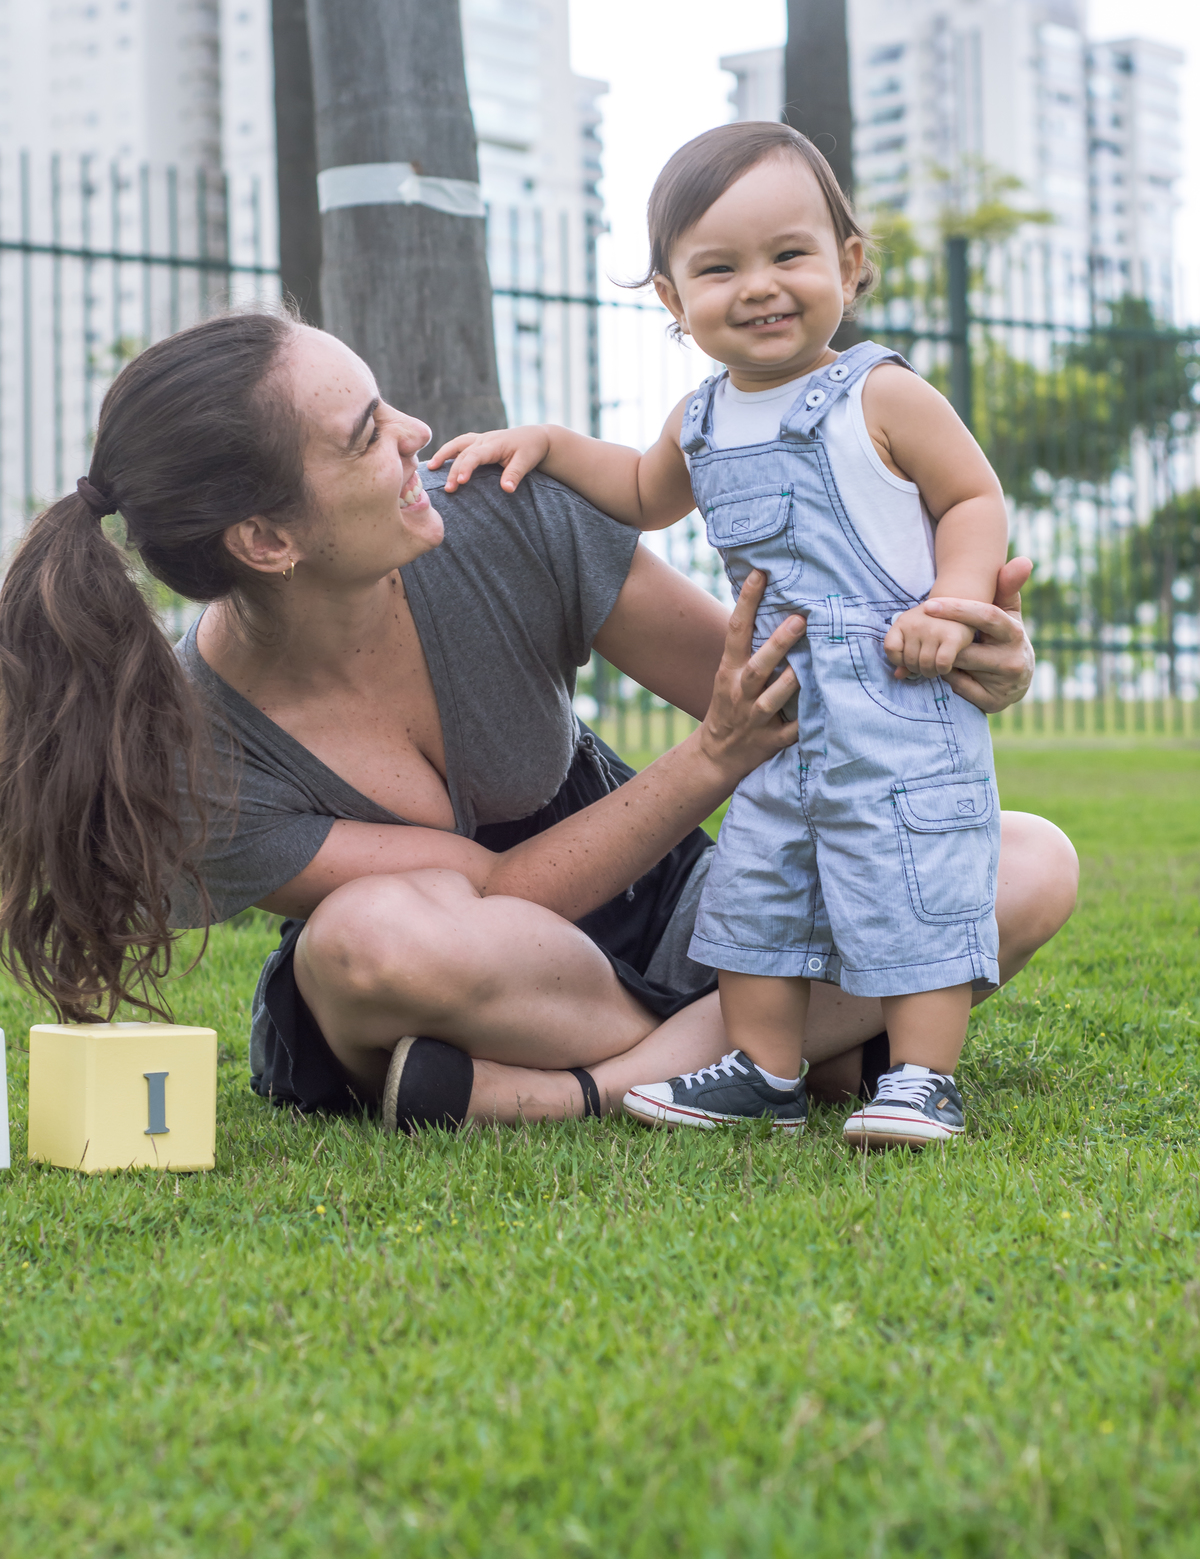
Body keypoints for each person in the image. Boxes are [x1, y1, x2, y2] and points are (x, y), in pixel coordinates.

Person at [0, 306, 1074, 1136]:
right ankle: (782, 1053)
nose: (417, 436)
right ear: (267, 542)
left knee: (1027, 861)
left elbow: (758, 684)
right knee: (364, 942)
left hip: (668, 915)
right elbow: (499, 898)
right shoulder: (200, 751)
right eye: (366, 435)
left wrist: (957, 660)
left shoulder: (506, 510)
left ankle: (582, 1096)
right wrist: (707, 765)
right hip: (476, 978)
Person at [432, 122, 1030, 1148]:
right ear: (673, 301)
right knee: (762, 886)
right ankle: (764, 1070)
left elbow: (972, 495)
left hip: (896, 684)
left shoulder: (880, 393)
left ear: (847, 264)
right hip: (780, 702)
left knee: (909, 880)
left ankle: (924, 1078)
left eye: (789, 256)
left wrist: (953, 602)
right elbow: (637, 494)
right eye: (719, 268)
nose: (759, 287)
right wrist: (550, 444)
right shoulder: (700, 420)